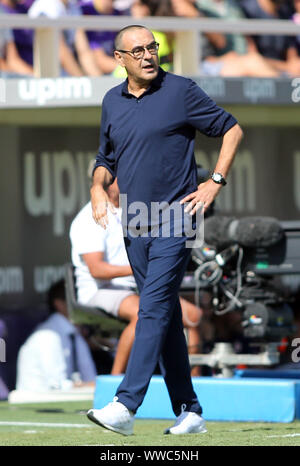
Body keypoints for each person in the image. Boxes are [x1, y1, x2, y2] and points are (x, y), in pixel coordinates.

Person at [87, 25, 243, 436]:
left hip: (176, 218)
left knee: (152, 308)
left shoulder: (181, 90)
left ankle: (126, 404)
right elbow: (106, 157)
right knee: (167, 316)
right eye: (137, 50)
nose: (148, 55)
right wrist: (97, 187)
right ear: (119, 59)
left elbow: (232, 129)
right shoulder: (111, 101)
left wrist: (216, 181)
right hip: (134, 221)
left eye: (152, 47)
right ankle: (190, 411)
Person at [70, 177, 204, 376]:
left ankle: (192, 384)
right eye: (122, 175)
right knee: (144, 313)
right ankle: (116, 382)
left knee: (193, 316)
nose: (130, 178)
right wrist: (142, 268)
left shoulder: (134, 210)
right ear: (107, 183)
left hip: (139, 286)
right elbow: (97, 270)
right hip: (100, 290)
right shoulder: (87, 218)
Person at [15, 279, 97, 393]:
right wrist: (92, 385)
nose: (86, 307)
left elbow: (90, 377)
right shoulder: (47, 335)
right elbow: (56, 385)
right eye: (78, 302)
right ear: (59, 304)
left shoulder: (76, 334)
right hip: (34, 403)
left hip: (65, 400)